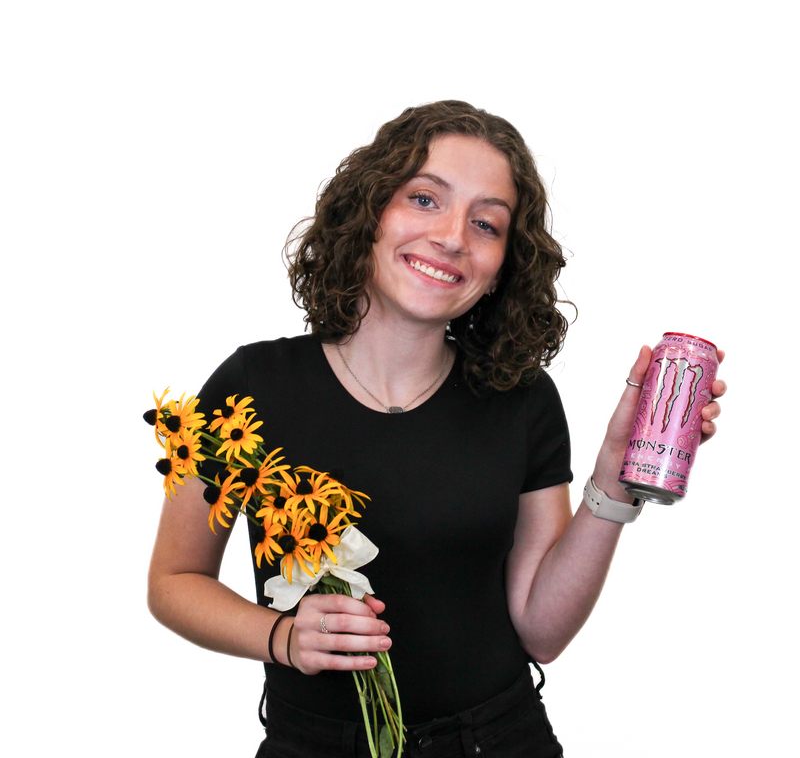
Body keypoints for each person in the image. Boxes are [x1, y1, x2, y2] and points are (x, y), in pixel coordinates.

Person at [148, 100, 725, 757]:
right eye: (424, 200)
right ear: (368, 210)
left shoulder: (523, 399)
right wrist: (281, 637)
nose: (453, 236)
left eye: (487, 223)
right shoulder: (249, 383)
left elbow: (542, 631)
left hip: (499, 742)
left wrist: (612, 479)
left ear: (505, 264)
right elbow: (173, 581)